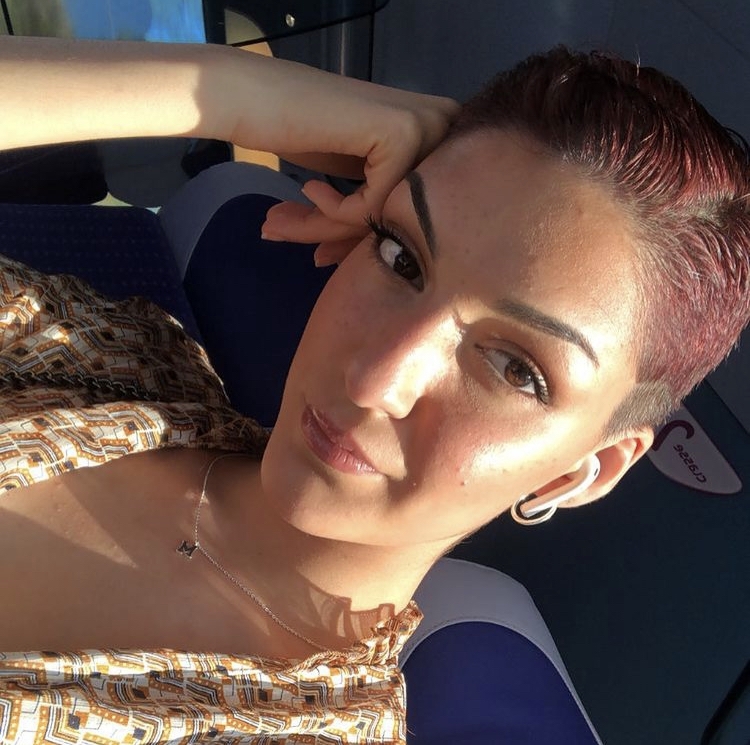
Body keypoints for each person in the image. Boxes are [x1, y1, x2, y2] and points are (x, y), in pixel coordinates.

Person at [0, 35, 748, 744]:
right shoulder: (117, 359)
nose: (374, 380)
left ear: (579, 471)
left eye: (515, 369)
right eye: (402, 257)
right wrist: (232, 90)